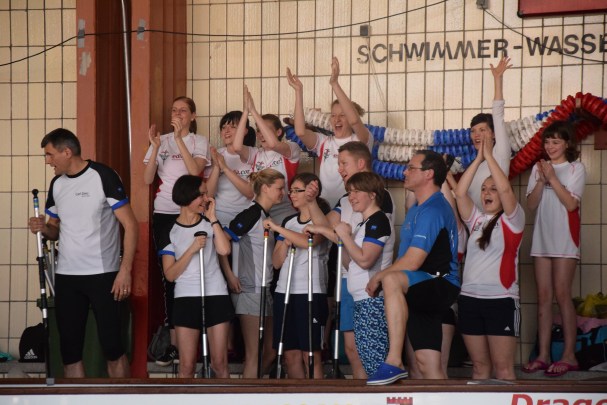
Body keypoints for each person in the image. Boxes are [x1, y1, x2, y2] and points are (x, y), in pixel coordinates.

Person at [28, 128, 138, 378]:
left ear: (67, 152)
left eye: (50, 155)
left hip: (104, 275)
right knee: (70, 352)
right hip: (67, 277)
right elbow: (54, 230)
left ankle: (123, 397)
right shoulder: (57, 184)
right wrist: (43, 228)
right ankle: (77, 397)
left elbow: (130, 225)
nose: (47, 161)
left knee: (113, 347)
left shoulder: (103, 175)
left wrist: (125, 271)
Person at [365, 150, 460, 385]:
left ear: (428, 174)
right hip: (420, 285)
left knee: (392, 279)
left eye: (411, 168)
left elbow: (413, 261)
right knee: (427, 363)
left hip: (440, 283)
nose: (404, 172)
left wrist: (379, 276)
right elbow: (406, 259)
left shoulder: (434, 209)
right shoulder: (418, 208)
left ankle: (394, 360)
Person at [305, 141, 395, 379]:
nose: (339, 169)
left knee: (372, 352)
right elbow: (329, 229)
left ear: (361, 163)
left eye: (344, 163)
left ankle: (374, 391)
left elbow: (366, 255)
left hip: (371, 286)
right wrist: (311, 203)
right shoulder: (346, 201)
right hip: (350, 279)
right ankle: (363, 392)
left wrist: (343, 236)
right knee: (353, 348)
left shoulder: (379, 204)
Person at [143, 96, 210, 366]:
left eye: (183, 110)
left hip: (192, 213)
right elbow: (147, 178)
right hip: (164, 214)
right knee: (169, 277)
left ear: (193, 116)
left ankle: (196, 339)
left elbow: (195, 173)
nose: (178, 114)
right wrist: (155, 146)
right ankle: (173, 343)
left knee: (194, 271)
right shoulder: (161, 140)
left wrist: (180, 139)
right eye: (174, 110)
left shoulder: (199, 141)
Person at [454, 133, 524, 380]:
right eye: (484, 189)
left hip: (500, 300)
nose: (487, 192)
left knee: (503, 369)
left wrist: (490, 157)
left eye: (493, 189)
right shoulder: (476, 220)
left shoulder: (513, 220)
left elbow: (505, 187)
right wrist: (478, 159)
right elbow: (460, 193)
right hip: (470, 300)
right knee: (479, 368)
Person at [522, 121, 586, 377]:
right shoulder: (538, 168)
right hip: (542, 239)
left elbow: (571, 204)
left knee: (562, 294)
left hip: (565, 239)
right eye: (547, 142)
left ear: (567, 144)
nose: (550, 146)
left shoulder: (576, 168)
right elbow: (531, 205)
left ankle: (569, 355)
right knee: (543, 298)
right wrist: (541, 180)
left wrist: (552, 178)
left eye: (556, 142)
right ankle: (543, 355)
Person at [159, 175, 233, 378]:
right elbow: (170, 274)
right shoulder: (170, 230)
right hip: (186, 297)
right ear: (187, 196)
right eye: (201, 195)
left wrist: (213, 218)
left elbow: (225, 250)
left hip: (215, 294)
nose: (206, 198)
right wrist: (191, 249)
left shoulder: (210, 224)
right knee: (187, 366)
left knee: (219, 364)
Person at [404, 158, 468, 378]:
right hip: (419, 295)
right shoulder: (418, 217)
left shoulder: (448, 221)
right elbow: (413, 204)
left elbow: (442, 200)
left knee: (437, 368)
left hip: (441, 299)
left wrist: (442, 172)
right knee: (417, 368)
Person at [264, 173, 329, 379]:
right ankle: (298, 394)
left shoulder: (320, 219)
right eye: (290, 190)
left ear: (311, 192)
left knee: (310, 354)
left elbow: (310, 242)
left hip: (310, 291)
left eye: (296, 190)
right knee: (290, 354)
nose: (291, 194)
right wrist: (285, 241)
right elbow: (276, 262)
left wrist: (278, 229)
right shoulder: (289, 221)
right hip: (285, 290)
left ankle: (316, 394)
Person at [224, 168, 286, 378]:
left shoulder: (266, 216)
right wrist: (230, 275)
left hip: (264, 288)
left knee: (269, 351)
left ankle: (255, 388)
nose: (283, 193)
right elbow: (221, 241)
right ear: (266, 188)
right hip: (249, 289)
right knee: (254, 354)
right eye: (279, 188)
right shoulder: (250, 214)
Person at [287, 56, 372, 208]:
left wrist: (334, 83)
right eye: (333, 115)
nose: (336, 119)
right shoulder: (324, 142)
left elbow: (354, 121)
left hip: (352, 204)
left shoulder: (360, 140)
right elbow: (300, 132)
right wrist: (298, 91)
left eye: (342, 115)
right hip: (325, 205)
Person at [233, 86, 301, 226]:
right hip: (260, 210)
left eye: (266, 129)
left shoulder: (291, 148)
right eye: (259, 130)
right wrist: (246, 111)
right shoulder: (256, 154)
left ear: (278, 132)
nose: (261, 134)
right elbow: (237, 147)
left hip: (284, 209)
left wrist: (254, 111)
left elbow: (273, 144)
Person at [467, 56, 512, 208]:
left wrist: (497, 79)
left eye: (482, 130)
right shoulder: (477, 163)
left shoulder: (500, 154)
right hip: (472, 222)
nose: (476, 135)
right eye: (473, 131)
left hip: (492, 221)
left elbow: (498, 116)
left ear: (493, 134)